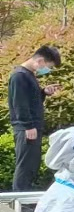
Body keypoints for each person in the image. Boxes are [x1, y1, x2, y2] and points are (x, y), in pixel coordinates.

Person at [10, 45, 61, 192]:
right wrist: (28, 125)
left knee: (31, 165)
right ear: (40, 61)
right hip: (26, 128)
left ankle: (25, 196)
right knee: (25, 165)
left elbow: (30, 100)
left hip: (32, 126)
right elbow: (19, 103)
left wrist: (43, 92)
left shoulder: (29, 75)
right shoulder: (19, 76)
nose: (47, 70)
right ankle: (20, 198)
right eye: (48, 66)